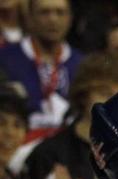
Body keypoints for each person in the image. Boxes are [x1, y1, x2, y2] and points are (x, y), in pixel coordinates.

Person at [0, 0, 82, 132]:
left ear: (70, 18)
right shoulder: (4, 59)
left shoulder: (82, 64)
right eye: (44, 12)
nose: (52, 19)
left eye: (60, 13)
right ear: (30, 18)